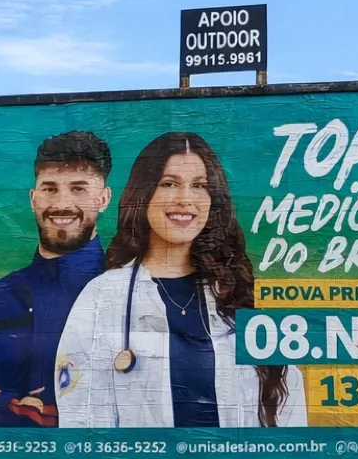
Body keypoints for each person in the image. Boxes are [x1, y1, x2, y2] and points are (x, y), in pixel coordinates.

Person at [55, 132, 305, 428]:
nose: (185, 199)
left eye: (199, 186)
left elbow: (288, 409)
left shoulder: (238, 295)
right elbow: (79, 416)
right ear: (144, 195)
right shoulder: (102, 297)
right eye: (169, 183)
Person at [0, 131, 112, 428]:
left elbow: (129, 415)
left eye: (79, 189)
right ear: (33, 199)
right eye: (50, 188)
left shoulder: (129, 295)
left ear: (104, 199)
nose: (62, 203)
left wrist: (1, 408)